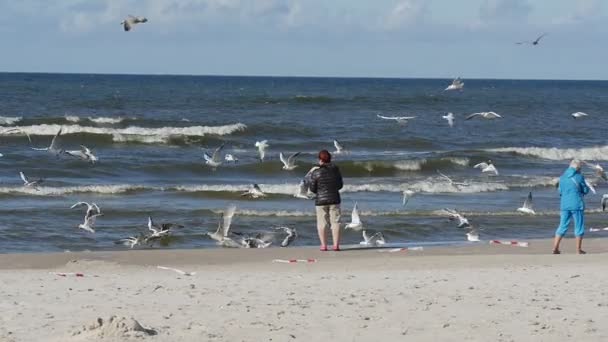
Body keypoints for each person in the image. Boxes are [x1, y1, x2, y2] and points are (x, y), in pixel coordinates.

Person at [552, 159, 590, 254]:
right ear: (578, 168)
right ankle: (578, 250)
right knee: (579, 226)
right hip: (577, 204)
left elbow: (560, 191)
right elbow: (585, 190)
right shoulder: (579, 177)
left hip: (564, 205)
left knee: (562, 226)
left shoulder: (562, 177)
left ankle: (555, 248)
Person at [309, 150, 343, 251]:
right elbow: (340, 185)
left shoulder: (316, 172)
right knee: (336, 222)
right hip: (334, 199)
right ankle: (336, 245)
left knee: (321, 223)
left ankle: (324, 246)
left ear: (320, 160)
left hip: (321, 200)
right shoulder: (336, 170)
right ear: (330, 159)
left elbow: (312, 189)